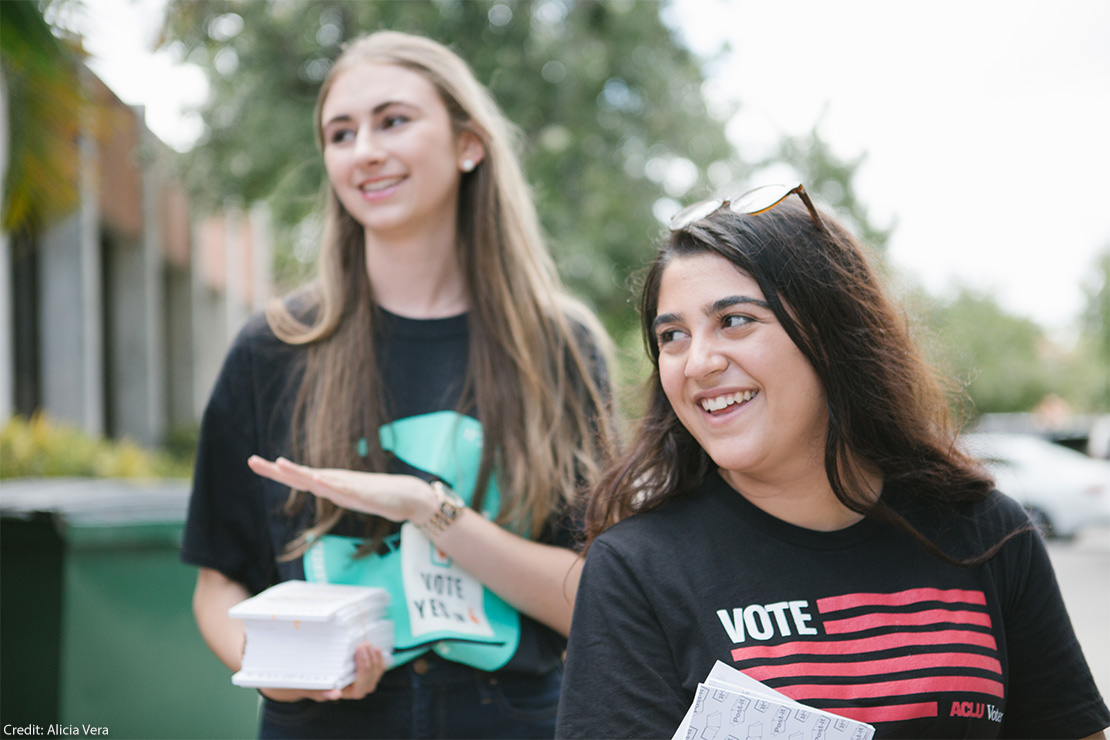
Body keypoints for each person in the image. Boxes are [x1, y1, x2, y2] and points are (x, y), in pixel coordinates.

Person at [181, 30, 617, 740]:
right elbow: (216, 586)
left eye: (393, 121)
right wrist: (285, 674)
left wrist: (429, 509)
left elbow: (596, 601)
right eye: (340, 133)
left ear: (468, 144)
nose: (365, 151)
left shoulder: (561, 348)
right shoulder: (273, 349)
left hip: (515, 719)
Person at [555, 183, 1109, 739]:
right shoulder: (637, 570)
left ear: (831, 333)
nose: (697, 362)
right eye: (672, 335)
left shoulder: (988, 534)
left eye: (735, 320)